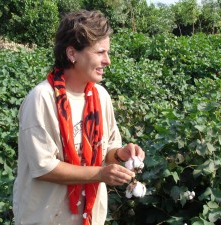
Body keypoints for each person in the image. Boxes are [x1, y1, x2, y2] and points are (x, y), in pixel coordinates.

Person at [12, 9, 145, 225]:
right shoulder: (42, 99)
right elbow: (45, 167)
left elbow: (106, 153)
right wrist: (100, 174)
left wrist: (121, 155)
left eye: (108, 52)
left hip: (89, 218)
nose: (108, 61)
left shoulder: (100, 97)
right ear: (72, 54)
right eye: (100, 52)